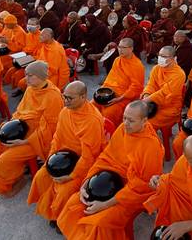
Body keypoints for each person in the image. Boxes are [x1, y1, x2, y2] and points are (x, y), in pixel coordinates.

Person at [57, 100, 164, 239]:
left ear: (144, 121)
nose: (125, 123)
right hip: (109, 178)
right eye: (124, 118)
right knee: (74, 201)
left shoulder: (150, 146)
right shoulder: (123, 130)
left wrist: (105, 204)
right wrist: (87, 182)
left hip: (130, 193)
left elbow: (140, 186)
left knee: (99, 222)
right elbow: (106, 157)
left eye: (131, 120)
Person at [0, 61, 64, 196]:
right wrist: (10, 126)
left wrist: (24, 142)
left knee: (5, 159)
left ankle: (15, 180)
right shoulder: (30, 89)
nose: (25, 79)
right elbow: (20, 111)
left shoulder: (53, 96)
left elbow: (51, 130)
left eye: (30, 75)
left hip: (37, 140)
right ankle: (15, 174)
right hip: (19, 131)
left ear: (41, 77)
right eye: (26, 75)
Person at [28, 81, 107, 231]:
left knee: (65, 190)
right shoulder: (65, 111)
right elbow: (57, 138)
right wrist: (50, 160)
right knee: (42, 176)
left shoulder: (92, 120)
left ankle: (60, 217)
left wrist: (71, 176)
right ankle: (51, 210)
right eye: (64, 97)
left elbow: (89, 156)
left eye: (70, 98)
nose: (65, 101)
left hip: (83, 164)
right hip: (63, 156)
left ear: (83, 97)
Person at [94, 38, 145, 127]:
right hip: (111, 92)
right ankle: (96, 129)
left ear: (131, 49)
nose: (120, 50)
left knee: (109, 113)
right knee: (92, 105)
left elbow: (136, 87)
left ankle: (110, 133)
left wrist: (119, 99)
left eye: (124, 47)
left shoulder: (137, 65)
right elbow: (110, 78)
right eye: (119, 47)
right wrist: (102, 90)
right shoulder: (117, 60)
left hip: (125, 96)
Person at [141, 46, 185, 132]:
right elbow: (150, 84)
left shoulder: (179, 74)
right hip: (153, 103)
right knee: (138, 117)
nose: (161, 58)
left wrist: (147, 100)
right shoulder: (156, 68)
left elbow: (165, 93)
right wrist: (146, 95)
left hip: (170, 107)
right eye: (160, 55)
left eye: (165, 56)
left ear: (173, 58)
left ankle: (150, 142)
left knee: (146, 124)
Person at [15, 28, 69, 94]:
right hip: (42, 69)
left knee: (31, 82)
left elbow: (52, 70)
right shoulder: (45, 44)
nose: (39, 37)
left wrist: (36, 76)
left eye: (42, 35)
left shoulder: (56, 50)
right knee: (22, 80)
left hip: (53, 75)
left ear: (49, 37)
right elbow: (40, 57)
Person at [3, 17, 41, 87]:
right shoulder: (28, 35)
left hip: (35, 59)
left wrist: (29, 57)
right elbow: (25, 48)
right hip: (25, 56)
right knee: (11, 70)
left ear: (38, 27)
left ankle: (20, 88)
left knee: (17, 74)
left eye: (32, 24)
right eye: (29, 24)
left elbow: (40, 54)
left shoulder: (41, 38)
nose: (29, 26)